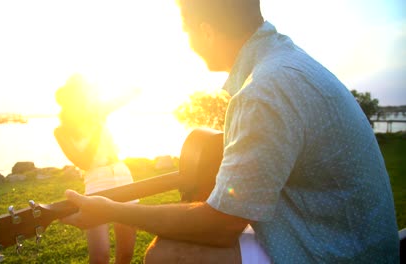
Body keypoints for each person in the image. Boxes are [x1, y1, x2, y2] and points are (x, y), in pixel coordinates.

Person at [61, 0, 400, 263]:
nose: (187, 41)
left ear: (207, 32)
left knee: (165, 256)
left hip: (340, 254)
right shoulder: (284, 61)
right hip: (355, 240)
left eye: (186, 31)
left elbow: (220, 227)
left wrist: (109, 210)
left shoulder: (264, 91)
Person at [54, 75, 138, 264]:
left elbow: (123, 98)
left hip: (122, 174)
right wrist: (98, 129)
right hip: (97, 180)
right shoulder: (62, 131)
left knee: (126, 253)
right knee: (100, 255)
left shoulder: (98, 112)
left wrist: (134, 87)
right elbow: (83, 162)